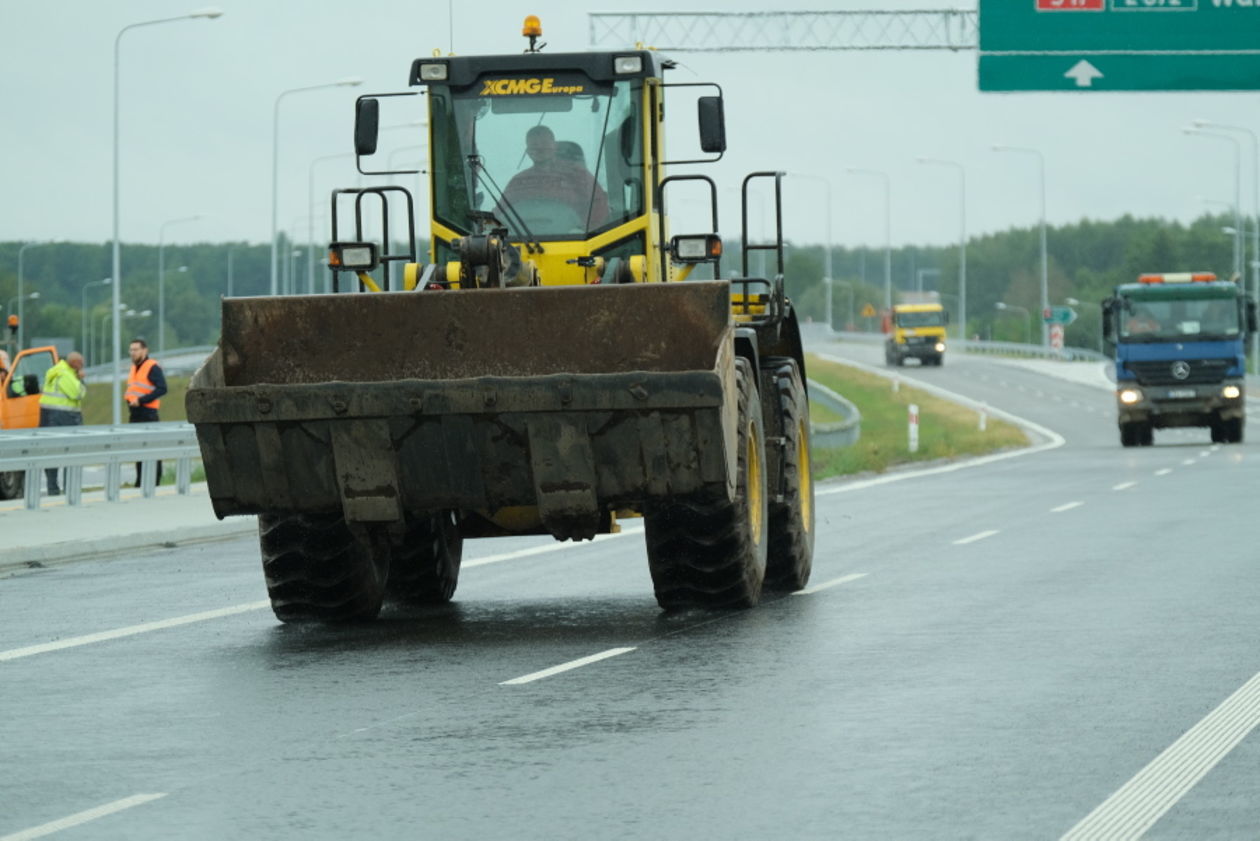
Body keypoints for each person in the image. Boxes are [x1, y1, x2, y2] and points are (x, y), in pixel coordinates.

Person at [500, 125, 608, 229]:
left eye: (544, 143)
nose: (540, 148)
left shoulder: (577, 174)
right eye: (534, 145)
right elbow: (500, 214)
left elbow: (599, 204)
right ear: (528, 152)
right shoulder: (518, 181)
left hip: (576, 242)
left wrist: (584, 231)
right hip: (522, 243)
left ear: (555, 146)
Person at [38, 352, 86, 496]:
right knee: (71, 454)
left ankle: (53, 489)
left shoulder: (54, 371)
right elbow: (78, 393)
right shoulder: (66, 375)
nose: (82, 367)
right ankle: (69, 489)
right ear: (75, 363)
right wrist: (81, 380)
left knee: (51, 454)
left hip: (47, 417)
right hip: (65, 417)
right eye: (81, 364)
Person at [126, 338, 168, 487]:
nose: (133, 353)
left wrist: (142, 400)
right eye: (131, 350)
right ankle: (140, 481)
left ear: (145, 350)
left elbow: (162, 388)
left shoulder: (152, 366)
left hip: (148, 413)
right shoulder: (133, 368)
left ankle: (155, 481)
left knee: (152, 448)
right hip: (135, 413)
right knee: (139, 449)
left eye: (136, 349)